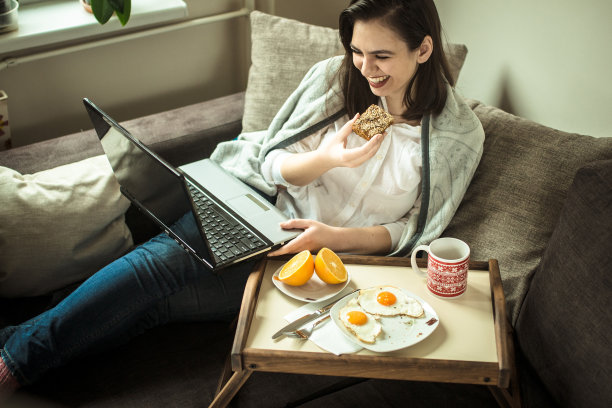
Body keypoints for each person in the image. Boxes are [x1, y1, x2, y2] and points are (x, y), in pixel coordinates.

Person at [0, 0, 484, 397]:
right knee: (159, 266)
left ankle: (22, 341)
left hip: (314, 263)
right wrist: (327, 160)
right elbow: (270, 162)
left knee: (156, 307)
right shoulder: (339, 82)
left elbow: (415, 230)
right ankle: (14, 360)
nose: (366, 67)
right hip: (260, 206)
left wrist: (332, 238)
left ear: (423, 49)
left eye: (381, 55)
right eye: (357, 51)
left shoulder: (455, 137)